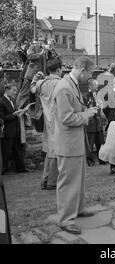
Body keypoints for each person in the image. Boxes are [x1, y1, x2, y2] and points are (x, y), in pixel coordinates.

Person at [52, 57, 99, 235]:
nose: (90, 77)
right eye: (90, 73)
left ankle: (77, 209)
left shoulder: (72, 84)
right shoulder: (64, 88)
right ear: (81, 70)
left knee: (78, 180)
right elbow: (66, 118)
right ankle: (65, 220)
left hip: (75, 142)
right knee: (68, 182)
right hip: (68, 144)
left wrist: (86, 111)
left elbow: (74, 110)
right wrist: (86, 114)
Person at [30, 57, 63, 190]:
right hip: (60, 121)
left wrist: (35, 77)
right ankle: (52, 182)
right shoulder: (63, 83)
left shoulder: (42, 84)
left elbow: (32, 88)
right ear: (59, 69)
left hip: (48, 121)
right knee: (57, 151)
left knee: (51, 151)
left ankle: (45, 180)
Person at [0, 83, 29, 175]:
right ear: (7, 90)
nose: (15, 93)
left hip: (15, 129)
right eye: (13, 90)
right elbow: (2, 118)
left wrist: (22, 112)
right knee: (7, 151)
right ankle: (5, 169)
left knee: (17, 150)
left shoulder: (12, 100)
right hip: (7, 131)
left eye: (16, 90)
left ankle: (20, 168)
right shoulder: (1, 101)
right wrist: (14, 114)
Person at [84, 79, 105, 167]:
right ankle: (90, 161)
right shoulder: (86, 96)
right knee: (90, 143)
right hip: (91, 122)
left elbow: (101, 107)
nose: (97, 86)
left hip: (98, 122)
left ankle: (102, 159)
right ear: (90, 86)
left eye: (97, 85)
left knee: (100, 142)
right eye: (95, 85)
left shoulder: (98, 95)